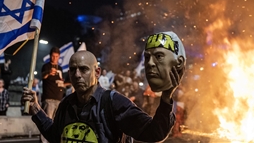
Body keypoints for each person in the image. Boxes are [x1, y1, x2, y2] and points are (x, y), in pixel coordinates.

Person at [22, 50, 184, 142]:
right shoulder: (66, 105)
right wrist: (36, 108)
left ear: (97, 72)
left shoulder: (113, 103)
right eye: (72, 70)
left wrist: (165, 98)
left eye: (84, 69)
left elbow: (154, 132)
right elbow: (55, 136)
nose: (77, 75)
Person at [40, 47, 66, 142]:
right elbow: (43, 76)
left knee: (57, 123)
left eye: (56, 56)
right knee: (47, 122)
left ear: (59, 57)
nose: (54, 58)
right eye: (53, 56)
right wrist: (49, 73)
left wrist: (68, 83)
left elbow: (61, 82)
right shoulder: (46, 66)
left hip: (59, 99)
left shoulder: (60, 68)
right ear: (50, 56)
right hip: (49, 98)